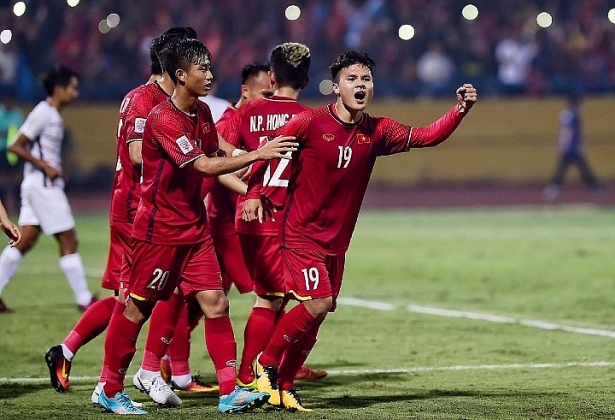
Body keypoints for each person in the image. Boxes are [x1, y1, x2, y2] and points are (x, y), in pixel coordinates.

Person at [245, 50, 477, 411]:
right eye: (352, 79)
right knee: (317, 303)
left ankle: (285, 386)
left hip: (336, 243)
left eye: (365, 79)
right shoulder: (309, 122)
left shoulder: (378, 130)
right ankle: (267, 363)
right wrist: (253, 193)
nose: (360, 85)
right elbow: (269, 152)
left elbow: (427, 136)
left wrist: (459, 110)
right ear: (336, 87)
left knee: (317, 317)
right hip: (301, 235)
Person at [96, 37, 298, 415]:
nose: (209, 75)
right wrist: (259, 154)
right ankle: (109, 388)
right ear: (180, 75)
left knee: (216, 303)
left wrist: (252, 187)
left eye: (209, 67)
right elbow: (203, 165)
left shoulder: (202, 112)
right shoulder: (163, 118)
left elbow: (217, 154)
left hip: (195, 228)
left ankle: (229, 393)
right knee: (137, 308)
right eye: (201, 69)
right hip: (160, 230)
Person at [42, 28, 204, 406]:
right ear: (175, 65)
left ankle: (71, 352)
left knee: (133, 296)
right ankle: (125, 379)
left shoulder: (160, 99)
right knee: (149, 296)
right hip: (138, 210)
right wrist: (186, 155)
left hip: (145, 208)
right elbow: (136, 154)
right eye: (193, 59)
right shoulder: (146, 100)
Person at [223, 43, 326, 407]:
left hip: (249, 216)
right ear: (307, 81)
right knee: (270, 299)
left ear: (270, 77)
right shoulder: (311, 118)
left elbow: (216, 148)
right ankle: (250, 374)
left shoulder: (248, 110)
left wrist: (244, 173)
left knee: (275, 297)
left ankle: (265, 370)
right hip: (281, 218)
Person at [159, 61, 273, 388]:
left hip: (221, 226)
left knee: (207, 302)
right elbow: (210, 169)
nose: (270, 101)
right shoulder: (225, 120)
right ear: (246, 91)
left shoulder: (214, 116)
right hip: (222, 229)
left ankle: (170, 365)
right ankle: (263, 365)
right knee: (269, 293)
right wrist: (251, 166)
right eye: (266, 94)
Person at [0, 65, 97, 314]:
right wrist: (46, 167)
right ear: (58, 89)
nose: (76, 93)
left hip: (38, 184)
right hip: (43, 186)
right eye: (72, 88)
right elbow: (16, 146)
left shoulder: (52, 114)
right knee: (68, 238)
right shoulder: (44, 112)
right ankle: (84, 299)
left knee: (25, 240)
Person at [544, 94, 602, 201]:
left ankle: (594, 186)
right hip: (571, 148)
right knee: (567, 168)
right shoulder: (569, 114)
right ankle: (594, 186)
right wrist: (563, 143)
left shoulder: (572, 113)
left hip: (573, 147)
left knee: (572, 167)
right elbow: (566, 130)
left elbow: (576, 131)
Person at [0, 93, 24, 215]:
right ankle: (4, 209)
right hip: (1, 151)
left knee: (16, 180)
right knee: (2, 180)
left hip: (15, 151)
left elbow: (22, 132)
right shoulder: (0, 113)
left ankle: (18, 207)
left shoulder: (17, 114)